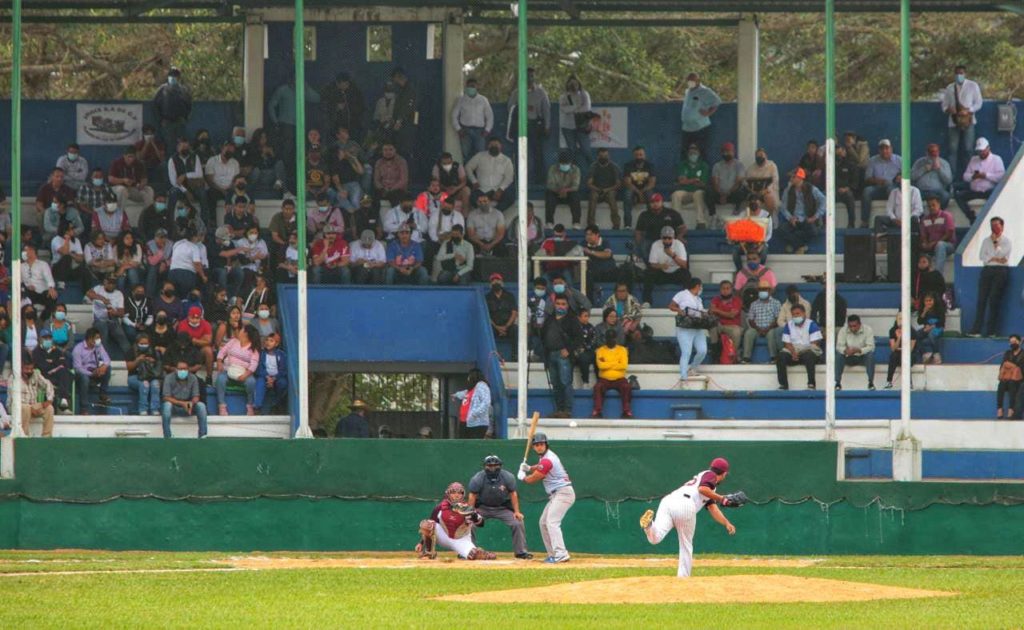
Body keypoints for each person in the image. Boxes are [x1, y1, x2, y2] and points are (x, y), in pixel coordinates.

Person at [639, 457, 737, 578]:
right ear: (724, 473)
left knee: (655, 538)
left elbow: (713, 508)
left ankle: (649, 525)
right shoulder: (710, 475)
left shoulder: (706, 482)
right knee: (686, 545)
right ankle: (683, 579)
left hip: (669, 501)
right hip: (685, 504)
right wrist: (722, 499)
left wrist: (726, 523)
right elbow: (703, 489)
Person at [518, 433, 574, 563]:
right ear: (533, 447)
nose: (539, 447)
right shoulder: (545, 457)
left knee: (552, 522)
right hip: (556, 494)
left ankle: (561, 554)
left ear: (546, 445)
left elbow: (534, 478)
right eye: (536, 445)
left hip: (563, 493)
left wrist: (523, 477)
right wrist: (529, 467)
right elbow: (540, 466)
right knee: (543, 523)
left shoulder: (548, 459)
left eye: (541, 444)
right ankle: (553, 554)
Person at [467, 455, 532, 559]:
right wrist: (471, 513)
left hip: (502, 508)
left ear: (500, 466)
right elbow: (472, 495)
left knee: (517, 522)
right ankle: (468, 551)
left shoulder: (508, 477)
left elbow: (513, 494)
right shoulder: (478, 478)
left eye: (495, 465)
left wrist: (517, 512)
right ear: (485, 466)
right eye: (489, 466)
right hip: (483, 507)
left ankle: (521, 552)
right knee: (469, 523)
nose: (492, 468)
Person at [418, 482, 495, 561]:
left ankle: (484, 554)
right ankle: (429, 552)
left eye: (459, 493)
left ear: (463, 495)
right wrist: (421, 543)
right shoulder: (440, 507)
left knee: (474, 555)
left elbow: (481, 524)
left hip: (461, 540)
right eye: (453, 492)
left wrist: (474, 516)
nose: (456, 495)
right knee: (426, 524)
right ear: (448, 494)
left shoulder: (467, 509)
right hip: (444, 536)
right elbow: (430, 526)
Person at [969, 216, 1011, 337]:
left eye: (996, 225)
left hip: (1000, 271)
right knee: (982, 299)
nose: (994, 228)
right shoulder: (985, 241)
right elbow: (982, 256)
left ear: (1002, 226)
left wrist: (995, 243)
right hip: (987, 270)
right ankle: (977, 329)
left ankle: (991, 331)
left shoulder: (1006, 241)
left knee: (994, 299)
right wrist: (995, 258)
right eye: (992, 225)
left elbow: (1002, 254)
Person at [506, 67, 550, 183]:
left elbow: (546, 110)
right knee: (520, 153)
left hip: (535, 124)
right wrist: (522, 108)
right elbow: (510, 107)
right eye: (527, 76)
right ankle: (520, 178)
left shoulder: (541, 92)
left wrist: (547, 126)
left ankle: (539, 180)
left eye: (532, 76)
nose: (530, 78)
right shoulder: (517, 92)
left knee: (537, 153)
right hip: (520, 125)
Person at [542, 295, 583, 418]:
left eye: (563, 304)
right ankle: (559, 409)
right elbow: (543, 336)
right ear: (554, 305)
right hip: (550, 354)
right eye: (558, 303)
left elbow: (579, 338)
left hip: (563, 355)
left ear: (568, 305)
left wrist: (569, 350)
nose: (560, 306)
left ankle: (567, 410)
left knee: (565, 383)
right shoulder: (549, 319)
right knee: (555, 384)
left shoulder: (572, 320)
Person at [941, 64, 983, 178]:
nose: (959, 75)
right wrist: (949, 109)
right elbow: (944, 106)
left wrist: (969, 110)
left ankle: (969, 176)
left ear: (965, 74)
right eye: (957, 73)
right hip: (953, 122)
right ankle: (952, 177)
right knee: (952, 150)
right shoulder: (950, 88)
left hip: (968, 121)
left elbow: (979, 103)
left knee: (968, 149)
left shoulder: (972, 86)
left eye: (961, 73)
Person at [954, 137, 1005, 223]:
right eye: (979, 151)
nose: (981, 153)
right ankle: (971, 217)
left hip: (989, 191)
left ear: (988, 148)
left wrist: (986, 175)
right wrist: (973, 176)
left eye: (982, 151)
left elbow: (1000, 177)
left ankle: (989, 217)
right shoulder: (973, 159)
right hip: (974, 191)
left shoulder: (996, 159)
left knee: (996, 195)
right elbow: (965, 176)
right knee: (959, 196)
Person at [777, 168, 826, 254]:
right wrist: (790, 218)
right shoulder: (788, 190)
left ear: (800, 178)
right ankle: (801, 246)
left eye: (793, 177)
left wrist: (815, 216)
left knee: (813, 231)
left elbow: (824, 201)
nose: (791, 179)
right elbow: (783, 207)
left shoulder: (812, 189)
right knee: (781, 229)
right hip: (794, 220)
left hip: (808, 219)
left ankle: (793, 245)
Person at [215, 323, 260, 416]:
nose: (239, 331)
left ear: (246, 333)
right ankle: (222, 405)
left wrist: (245, 375)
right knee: (220, 379)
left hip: (244, 373)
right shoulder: (233, 342)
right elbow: (222, 351)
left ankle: (250, 405)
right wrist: (219, 362)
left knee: (251, 382)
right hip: (228, 370)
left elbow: (254, 365)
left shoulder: (253, 349)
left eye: (242, 330)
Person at [669, 277, 708, 383]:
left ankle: (692, 368)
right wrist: (679, 310)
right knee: (686, 352)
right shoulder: (682, 294)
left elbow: (701, 312)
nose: (701, 288)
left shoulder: (698, 299)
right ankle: (683, 376)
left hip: (697, 327)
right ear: (697, 286)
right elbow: (671, 306)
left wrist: (705, 314)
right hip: (685, 328)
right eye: (700, 286)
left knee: (702, 350)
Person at [776, 304, 823, 390]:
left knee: (809, 355)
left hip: (808, 351)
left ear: (804, 313)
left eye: (798, 313)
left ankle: (811, 384)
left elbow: (814, 343)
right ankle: (783, 385)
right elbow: (787, 343)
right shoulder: (789, 325)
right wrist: (793, 352)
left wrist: (801, 351)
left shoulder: (812, 324)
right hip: (793, 352)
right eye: (793, 314)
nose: (795, 316)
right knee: (781, 356)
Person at [860, 139, 902, 228]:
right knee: (867, 191)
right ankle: (865, 221)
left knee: (891, 189)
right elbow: (867, 178)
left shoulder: (899, 160)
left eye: (887, 148)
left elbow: (908, 174)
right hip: (878, 187)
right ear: (879, 150)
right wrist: (878, 181)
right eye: (882, 149)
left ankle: (895, 219)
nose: (884, 151)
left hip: (893, 186)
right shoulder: (873, 160)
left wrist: (900, 177)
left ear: (891, 149)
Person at [465, 137, 515, 211]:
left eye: (496, 145)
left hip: (498, 190)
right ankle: (485, 211)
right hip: (482, 189)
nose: (494, 147)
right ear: (487, 146)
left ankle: (495, 212)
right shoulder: (480, 156)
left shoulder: (506, 160)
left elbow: (509, 177)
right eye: (491, 145)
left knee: (510, 198)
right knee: (473, 198)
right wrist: (474, 181)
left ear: (501, 146)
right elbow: (468, 167)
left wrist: (501, 189)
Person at [644, 226, 690, 306]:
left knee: (686, 274)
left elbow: (684, 265)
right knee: (648, 273)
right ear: (661, 237)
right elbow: (652, 264)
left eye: (669, 238)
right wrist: (660, 266)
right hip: (662, 273)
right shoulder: (656, 244)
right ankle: (647, 301)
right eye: (665, 238)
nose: (667, 240)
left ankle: (687, 302)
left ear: (673, 237)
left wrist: (672, 255)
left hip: (676, 273)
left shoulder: (679, 245)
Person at [161, 359, 208, 438]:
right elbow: (166, 397)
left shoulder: (193, 378)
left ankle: (203, 435)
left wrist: (189, 405)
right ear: (176, 369)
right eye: (180, 369)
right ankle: (167, 436)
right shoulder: (169, 378)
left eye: (185, 369)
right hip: (174, 406)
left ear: (188, 369)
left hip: (189, 407)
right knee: (167, 405)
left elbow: (196, 396)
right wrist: (183, 403)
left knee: (201, 406)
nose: (183, 371)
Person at [679, 72, 721, 159]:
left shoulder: (704, 91)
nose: (690, 83)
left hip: (700, 128)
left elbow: (717, 101)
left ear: (698, 81)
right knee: (685, 154)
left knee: (701, 153)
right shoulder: (688, 91)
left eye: (692, 81)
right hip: (687, 128)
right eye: (688, 81)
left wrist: (708, 113)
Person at [592, 328, 632, 419]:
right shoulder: (600, 350)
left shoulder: (622, 350)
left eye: (612, 338)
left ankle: (627, 411)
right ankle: (597, 411)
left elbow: (623, 366)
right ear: (605, 339)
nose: (610, 340)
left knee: (626, 387)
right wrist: (616, 362)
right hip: (604, 379)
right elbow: (601, 366)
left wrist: (607, 363)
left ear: (616, 338)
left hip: (619, 379)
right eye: (608, 338)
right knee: (597, 387)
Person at [87, 274, 131, 355]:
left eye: (113, 283)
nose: (111, 285)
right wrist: (103, 299)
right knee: (104, 331)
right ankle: (103, 356)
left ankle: (130, 356)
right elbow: (89, 293)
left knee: (121, 335)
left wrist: (115, 312)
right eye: (109, 283)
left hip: (112, 319)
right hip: (99, 319)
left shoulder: (118, 293)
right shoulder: (98, 288)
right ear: (105, 282)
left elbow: (121, 313)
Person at [633, 193, 684, 264]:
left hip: (669, 239)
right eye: (652, 202)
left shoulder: (672, 213)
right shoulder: (644, 215)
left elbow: (682, 227)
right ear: (649, 204)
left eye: (657, 201)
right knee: (644, 246)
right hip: (651, 240)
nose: (655, 204)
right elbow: (638, 231)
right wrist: (639, 243)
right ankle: (650, 267)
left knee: (681, 245)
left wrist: (680, 237)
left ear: (662, 202)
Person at [451, 77, 493, 161]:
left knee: (480, 155)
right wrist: (458, 129)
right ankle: (466, 169)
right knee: (466, 154)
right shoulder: (461, 100)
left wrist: (487, 130)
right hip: (465, 131)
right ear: (466, 87)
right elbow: (454, 115)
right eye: (469, 86)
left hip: (480, 132)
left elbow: (490, 116)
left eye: (473, 86)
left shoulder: (483, 100)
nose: (471, 88)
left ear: (477, 87)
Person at [71, 327, 112, 413]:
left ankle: (102, 395)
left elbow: (107, 359)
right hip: (83, 374)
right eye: (97, 338)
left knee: (108, 368)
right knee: (84, 378)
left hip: (96, 371)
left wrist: (103, 367)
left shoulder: (99, 346)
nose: (99, 340)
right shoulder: (78, 349)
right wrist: (91, 373)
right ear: (90, 338)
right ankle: (84, 409)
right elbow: (77, 368)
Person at [31, 330, 72, 414]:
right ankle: (63, 405)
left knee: (65, 372)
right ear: (40, 339)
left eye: (49, 338)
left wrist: (52, 364)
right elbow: (42, 366)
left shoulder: (57, 351)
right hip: (44, 376)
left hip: (58, 375)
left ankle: (63, 400)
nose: (48, 340)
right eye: (45, 338)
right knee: (63, 375)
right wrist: (54, 364)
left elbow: (63, 363)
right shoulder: (36, 352)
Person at [671, 144, 711, 228]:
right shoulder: (682, 165)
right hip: (685, 191)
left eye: (695, 152)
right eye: (691, 152)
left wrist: (687, 181)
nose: (693, 154)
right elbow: (681, 181)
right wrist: (694, 180)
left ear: (699, 153)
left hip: (698, 191)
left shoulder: (704, 165)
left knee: (698, 193)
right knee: (675, 195)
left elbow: (702, 183)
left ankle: (701, 222)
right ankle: (676, 222)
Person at [153, 67, 192, 149]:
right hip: (167, 122)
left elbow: (189, 105)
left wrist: (185, 118)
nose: (173, 77)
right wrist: (160, 119)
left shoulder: (183, 90)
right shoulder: (162, 90)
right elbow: (155, 105)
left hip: (179, 121)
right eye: (171, 75)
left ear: (178, 77)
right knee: (169, 145)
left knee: (181, 145)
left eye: (175, 75)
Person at [559, 74, 593, 168]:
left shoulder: (584, 94)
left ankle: (593, 171)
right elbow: (564, 109)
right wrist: (578, 106)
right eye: (571, 84)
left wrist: (573, 109)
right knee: (572, 151)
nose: (573, 86)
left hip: (582, 125)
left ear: (579, 84)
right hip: (568, 127)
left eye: (575, 84)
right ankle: (574, 172)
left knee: (586, 150)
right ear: (567, 85)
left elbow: (586, 108)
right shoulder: (563, 96)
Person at [19, 355, 57, 438]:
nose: (29, 371)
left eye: (31, 369)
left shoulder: (35, 374)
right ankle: (23, 436)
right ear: (21, 368)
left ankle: (46, 437)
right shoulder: (14, 378)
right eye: (26, 369)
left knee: (49, 408)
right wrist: (30, 408)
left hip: (34, 406)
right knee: (26, 408)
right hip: (19, 407)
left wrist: (49, 400)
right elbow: (13, 399)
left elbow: (48, 384)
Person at [835, 315, 876, 391]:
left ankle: (871, 382)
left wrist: (859, 350)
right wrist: (845, 350)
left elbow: (871, 347)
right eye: (850, 326)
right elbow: (839, 346)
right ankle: (837, 383)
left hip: (862, 356)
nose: (852, 328)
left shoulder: (868, 330)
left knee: (870, 356)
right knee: (838, 356)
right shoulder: (843, 330)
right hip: (848, 356)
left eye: (854, 326)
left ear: (859, 324)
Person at [708, 142, 747, 220]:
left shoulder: (739, 165)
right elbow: (715, 182)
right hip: (719, 194)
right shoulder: (717, 166)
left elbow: (738, 182)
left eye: (729, 151)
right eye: (724, 151)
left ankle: (736, 212)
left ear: (733, 152)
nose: (726, 153)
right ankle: (713, 216)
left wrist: (727, 194)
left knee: (742, 191)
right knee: (708, 192)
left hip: (733, 194)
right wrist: (721, 194)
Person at [127, 333, 163, 415]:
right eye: (142, 343)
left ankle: (155, 409)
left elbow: (159, 366)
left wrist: (152, 362)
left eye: (146, 343)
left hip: (151, 376)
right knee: (144, 384)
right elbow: (129, 367)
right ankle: (143, 409)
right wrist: (138, 360)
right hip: (135, 376)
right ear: (137, 343)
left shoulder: (153, 351)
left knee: (156, 384)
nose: (144, 345)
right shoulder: (131, 351)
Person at [919, 197, 957, 274]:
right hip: (931, 245)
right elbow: (923, 235)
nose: (931, 208)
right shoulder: (925, 219)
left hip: (947, 244)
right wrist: (925, 243)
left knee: (940, 245)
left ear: (939, 204)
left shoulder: (946, 216)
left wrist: (935, 243)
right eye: (929, 206)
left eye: (933, 205)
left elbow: (949, 233)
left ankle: (937, 274)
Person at [452, 368, 493, 438]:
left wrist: (474, 413)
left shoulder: (482, 386)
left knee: (472, 443)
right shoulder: (473, 388)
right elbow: (464, 393)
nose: (468, 378)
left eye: (469, 376)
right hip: (466, 422)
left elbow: (486, 402)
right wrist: (455, 395)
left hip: (477, 423)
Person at [545, 151, 582, 229]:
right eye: (563, 163)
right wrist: (559, 190)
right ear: (559, 162)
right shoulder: (553, 168)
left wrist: (566, 190)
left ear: (570, 163)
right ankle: (549, 222)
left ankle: (576, 223)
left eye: (566, 163)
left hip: (569, 192)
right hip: (556, 192)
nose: (564, 165)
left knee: (576, 196)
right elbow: (550, 184)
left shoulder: (576, 169)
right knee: (549, 195)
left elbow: (576, 186)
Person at [622, 146, 657, 229]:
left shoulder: (650, 165)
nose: (639, 157)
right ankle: (627, 225)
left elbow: (652, 183)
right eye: (637, 155)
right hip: (633, 189)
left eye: (641, 155)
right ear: (634, 156)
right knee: (627, 195)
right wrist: (639, 193)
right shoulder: (628, 165)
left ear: (644, 155)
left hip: (646, 189)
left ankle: (651, 224)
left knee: (651, 196)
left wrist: (641, 192)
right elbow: (627, 183)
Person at [21, 244, 59, 321]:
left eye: (25, 250)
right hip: (29, 293)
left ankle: (42, 320)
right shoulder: (20, 266)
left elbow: (49, 278)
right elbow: (19, 281)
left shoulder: (43, 264)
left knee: (52, 296)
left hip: (42, 292)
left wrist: (51, 288)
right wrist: (27, 286)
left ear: (32, 251)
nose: (23, 252)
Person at [587, 148, 622, 228]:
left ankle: (616, 224)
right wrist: (598, 189)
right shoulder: (593, 166)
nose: (604, 158)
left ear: (609, 156)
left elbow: (618, 184)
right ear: (597, 157)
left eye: (606, 156)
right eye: (601, 156)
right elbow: (589, 184)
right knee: (593, 196)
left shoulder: (614, 167)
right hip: (597, 190)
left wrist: (606, 190)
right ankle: (591, 224)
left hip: (610, 190)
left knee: (611, 196)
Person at [911, 143, 954, 208]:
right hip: (921, 191)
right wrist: (923, 169)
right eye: (931, 152)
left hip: (937, 191)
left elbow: (948, 181)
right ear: (927, 153)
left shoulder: (944, 163)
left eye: (936, 152)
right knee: (910, 195)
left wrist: (939, 169)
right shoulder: (919, 162)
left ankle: (939, 213)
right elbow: (912, 177)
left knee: (945, 196)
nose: (933, 154)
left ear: (938, 152)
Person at [254, 332, 288, 413]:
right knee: (260, 382)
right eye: (267, 340)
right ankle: (257, 406)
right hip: (264, 376)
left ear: (276, 344)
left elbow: (283, 370)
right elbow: (259, 368)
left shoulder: (281, 354)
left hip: (277, 377)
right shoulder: (262, 354)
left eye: (271, 341)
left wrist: (274, 378)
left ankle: (276, 402)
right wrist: (267, 377)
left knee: (283, 383)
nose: (268, 342)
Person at [709, 280, 742, 361]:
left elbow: (732, 315)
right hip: (719, 324)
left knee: (736, 331)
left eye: (728, 288)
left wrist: (717, 310)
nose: (725, 290)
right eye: (723, 288)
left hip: (732, 326)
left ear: (731, 289)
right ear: (720, 290)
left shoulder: (737, 300)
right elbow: (711, 311)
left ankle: (732, 355)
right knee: (712, 327)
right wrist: (724, 313)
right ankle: (715, 355)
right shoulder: (715, 299)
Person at [744, 147, 780, 213]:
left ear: (766, 156)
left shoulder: (772, 166)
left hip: (769, 192)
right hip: (755, 192)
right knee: (750, 198)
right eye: (757, 156)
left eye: (761, 155)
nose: (759, 157)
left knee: (768, 197)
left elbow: (775, 181)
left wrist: (766, 190)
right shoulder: (751, 168)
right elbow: (746, 182)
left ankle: (770, 217)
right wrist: (751, 190)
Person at [374, 143, 410, 207]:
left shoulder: (401, 161)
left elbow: (403, 180)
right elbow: (376, 180)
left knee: (395, 199)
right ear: (382, 151)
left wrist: (391, 189)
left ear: (395, 150)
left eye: (390, 149)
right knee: (374, 200)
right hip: (383, 189)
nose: (388, 152)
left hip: (397, 189)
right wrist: (382, 188)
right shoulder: (379, 162)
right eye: (385, 150)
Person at [885, 313, 915, 389]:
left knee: (905, 357)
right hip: (897, 354)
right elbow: (893, 349)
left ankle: (909, 383)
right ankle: (889, 381)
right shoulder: (892, 330)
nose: (901, 321)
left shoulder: (912, 331)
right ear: (896, 319)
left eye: (903, 319)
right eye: (899, 318)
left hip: (910, 354)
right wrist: (899, 337)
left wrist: (900, 348)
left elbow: (910, 349)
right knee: (893, 356)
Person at [915, 292, 946, 364]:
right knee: (915, 335)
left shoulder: (939, 309)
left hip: (937, 328)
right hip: (927, 329)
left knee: (931, 335)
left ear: (934, 300)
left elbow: (942, 322)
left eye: (930, 300)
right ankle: (925, 354)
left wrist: (931, 327)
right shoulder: (924, 310)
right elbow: (919, 321)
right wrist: (924, 312)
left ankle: (936, 354)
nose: (928, 303)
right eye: (926, 301)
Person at [997, 335, 1024, 419]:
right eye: (1011, 342)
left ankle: (1011, 409)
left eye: (1015, 341)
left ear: (1019, 342)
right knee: (1001, 384)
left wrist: (1010, 366)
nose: (1013, 344)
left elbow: (1021, 368)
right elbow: (1003, 366)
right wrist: (1014, 367)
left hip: (1019, 379)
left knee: (1012, 384)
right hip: (1008, 377)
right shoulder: (1007, 353)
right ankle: (1000, 408)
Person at [486, 273, 517, 342]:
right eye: (493, 281)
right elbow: (486, 315)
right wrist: (496, 327)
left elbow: (514, 313)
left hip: (508, 326)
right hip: (494, 326)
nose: (496, 282)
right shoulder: (487, 297)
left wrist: (506, 326)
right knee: (487, 330)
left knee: (515, 330)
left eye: (498, 280)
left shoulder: (510, 296)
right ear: (490, 284)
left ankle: (517, 350)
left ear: (502, 283)